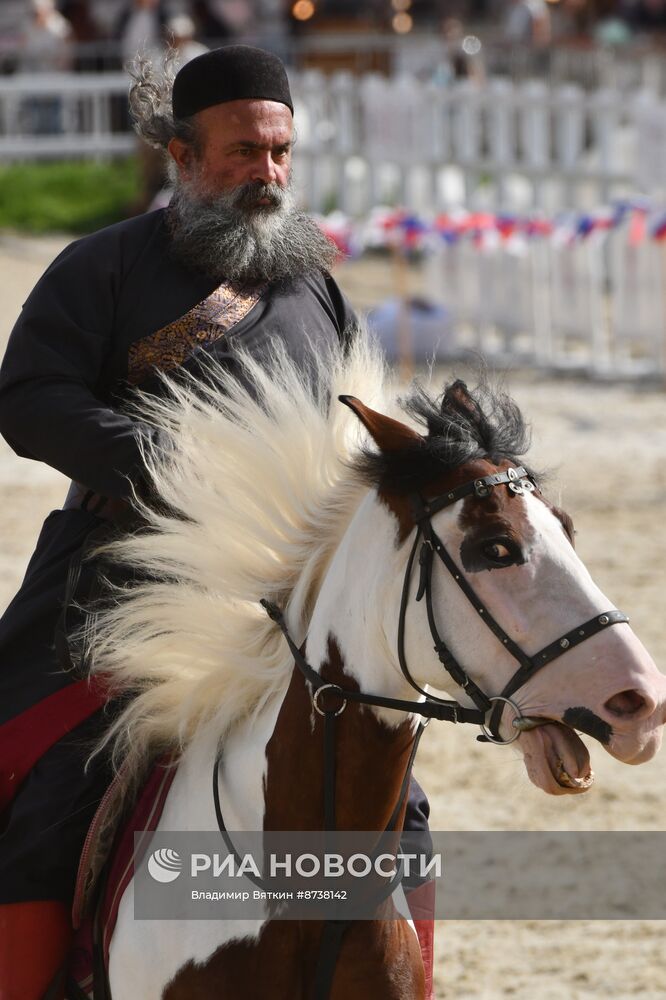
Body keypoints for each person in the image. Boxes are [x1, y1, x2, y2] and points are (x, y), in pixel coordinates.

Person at [0, 45, 434, 999]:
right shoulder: (102, 268)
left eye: (280, 154)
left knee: (399, 812)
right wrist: (182, 471)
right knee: (38, 797)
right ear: (182, 155)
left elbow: (364, 430)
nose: (267, 175)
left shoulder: (316, 286)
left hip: (286, 590)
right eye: (243, 152)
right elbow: (29, 397)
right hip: (124, 580)